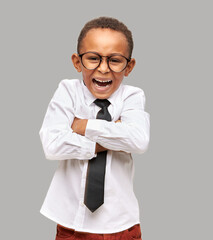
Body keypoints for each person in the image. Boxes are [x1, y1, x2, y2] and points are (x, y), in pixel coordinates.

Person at [39, 16, 150, 240]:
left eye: (115, 60)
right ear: (77, 61)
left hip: (121, 224)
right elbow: (52, 145)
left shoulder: (132, 96)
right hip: (72, 224)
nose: (103, 69)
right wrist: (112, 136)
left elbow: (138, 140)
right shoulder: (67, 91)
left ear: (129, 66)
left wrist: (83, 125)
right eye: (93, 58)